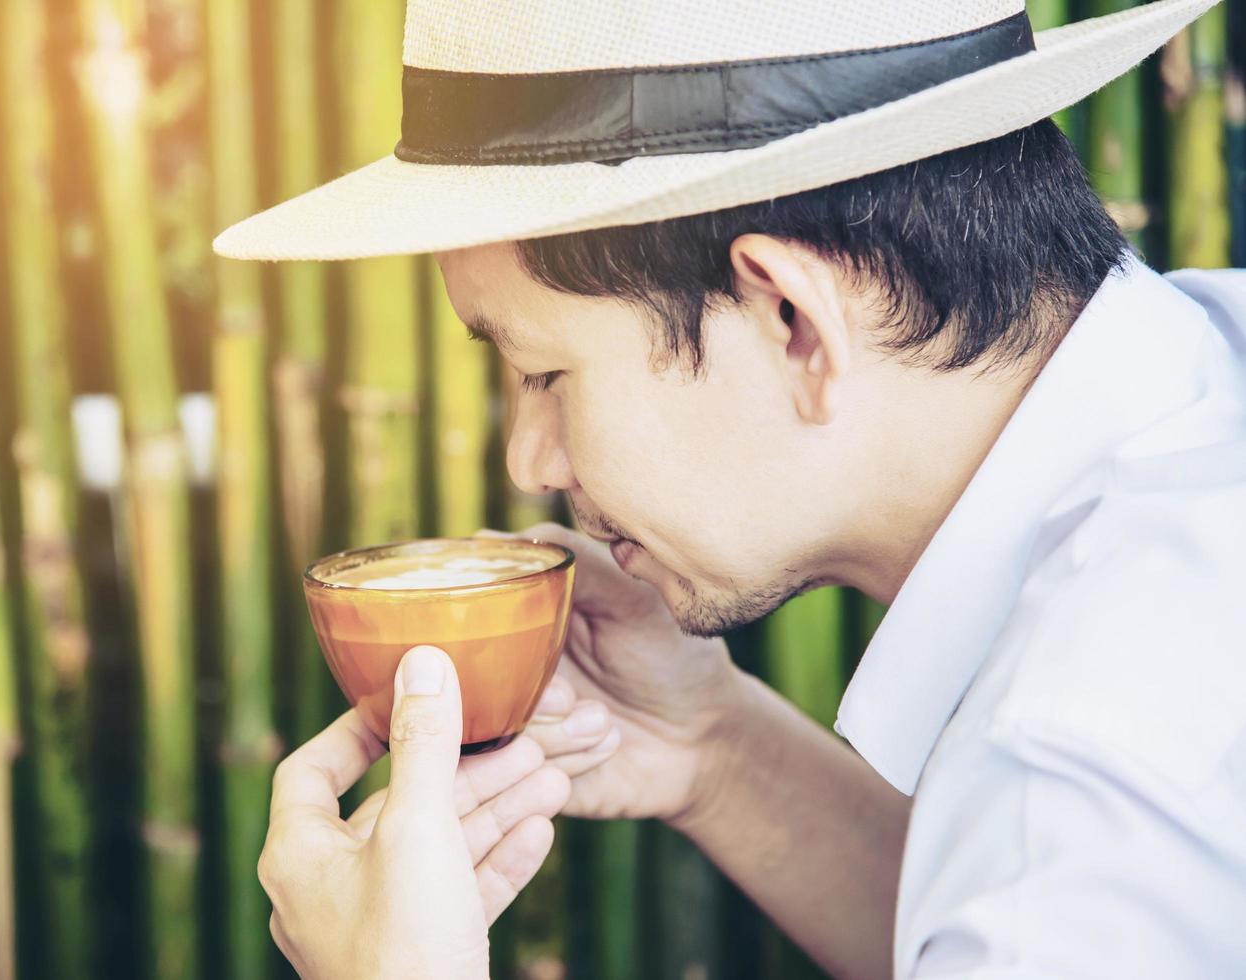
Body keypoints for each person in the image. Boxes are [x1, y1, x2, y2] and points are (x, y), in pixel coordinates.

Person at [216, 0, 1246, 976]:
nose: (530, 461)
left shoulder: (1080, 786)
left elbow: (1043, 896)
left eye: (543, 373)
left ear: (793, 322)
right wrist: (712, 742)